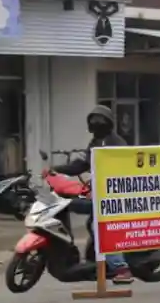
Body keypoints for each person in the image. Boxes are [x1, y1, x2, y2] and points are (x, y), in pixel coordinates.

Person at [48, 105, 133, 285]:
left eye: (100, 121)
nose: (96, 124)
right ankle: (95, 260)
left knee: (100, 228)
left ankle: (121, 268)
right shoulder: (95, 142)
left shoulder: (116, 143)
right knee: (72, 207)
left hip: (113, 194)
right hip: (98, 191)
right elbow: (82, 165)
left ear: (109, 123)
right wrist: (56, 170)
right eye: (93, 121)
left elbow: (123, 168)